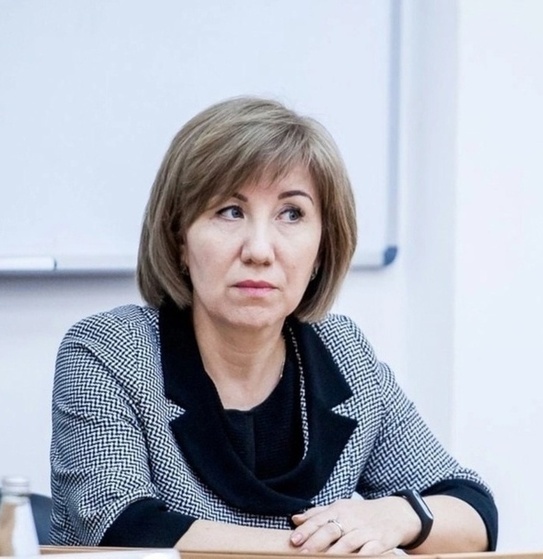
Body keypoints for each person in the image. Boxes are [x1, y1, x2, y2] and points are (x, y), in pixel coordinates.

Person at [49, 96, 498, 554]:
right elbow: (119, 528)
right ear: (178, 238)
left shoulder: (343, 354)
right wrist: (327, 547)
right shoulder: (110, 351)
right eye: (230, 211)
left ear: (322, 247)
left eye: (292, 214)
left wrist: (397, 516)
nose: (260, 250)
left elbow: (472, 511)